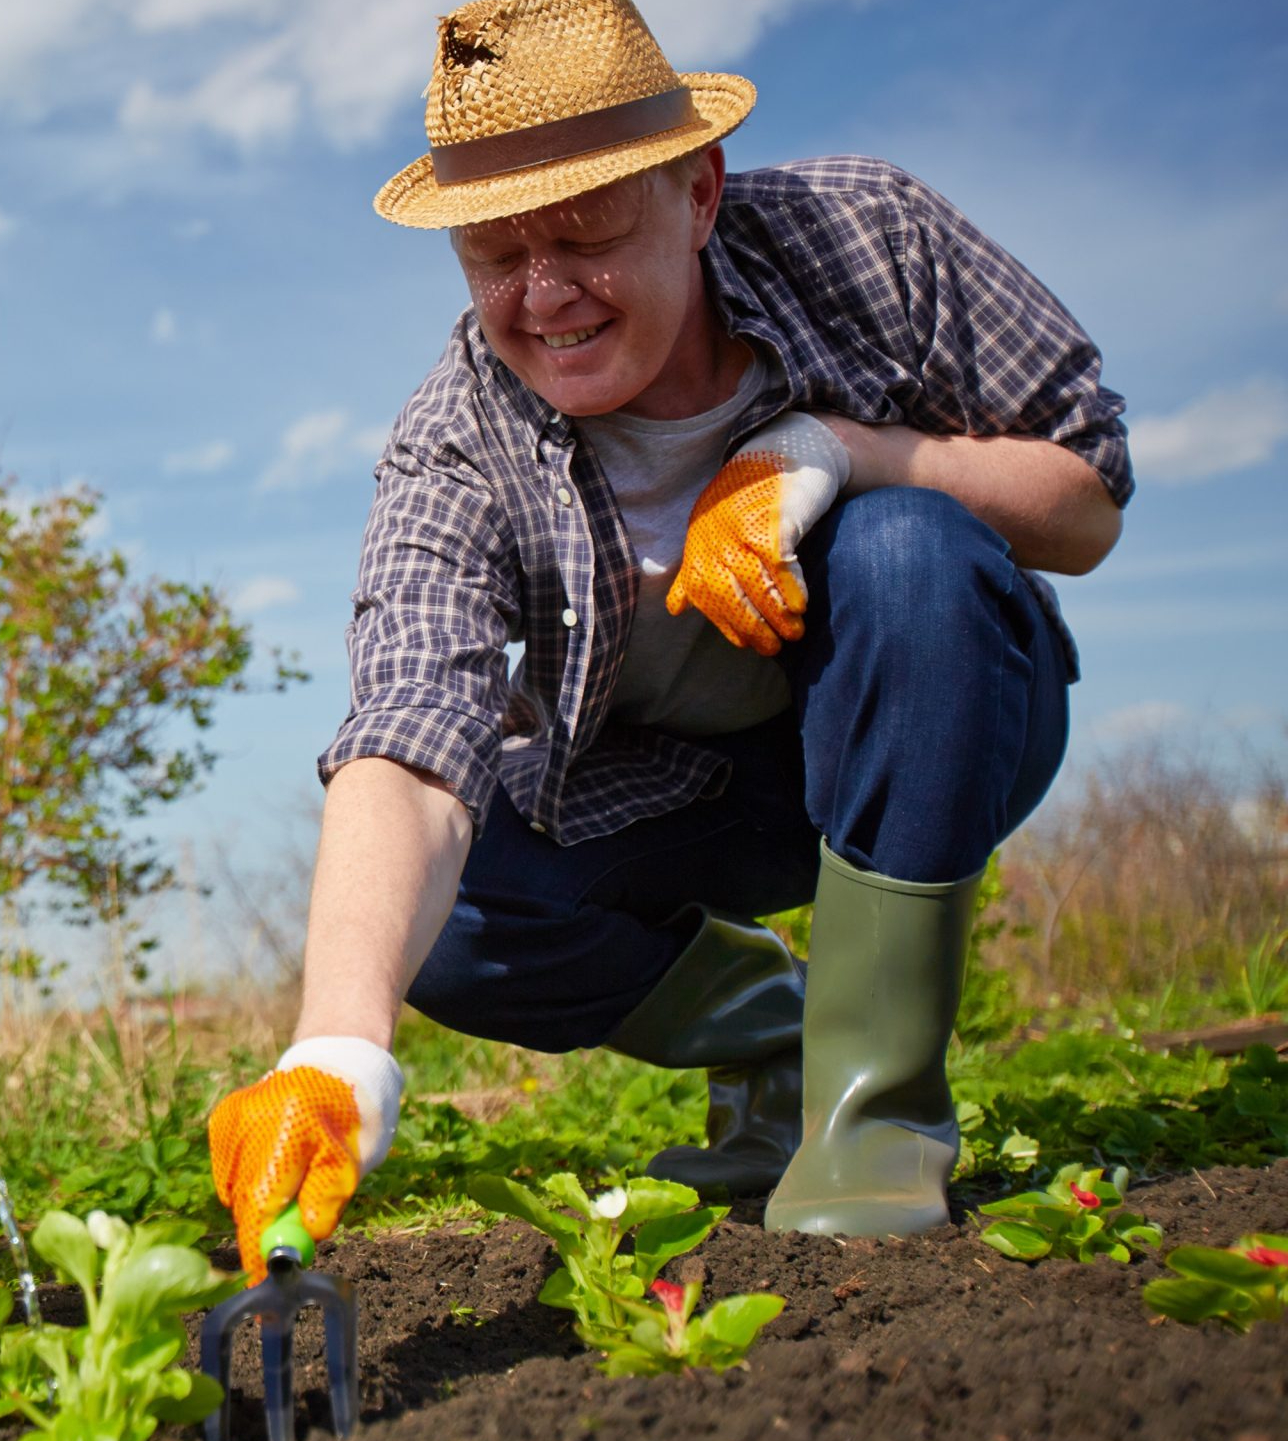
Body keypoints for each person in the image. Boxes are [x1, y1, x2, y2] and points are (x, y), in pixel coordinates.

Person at [205, 0, 1129, 1272]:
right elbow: (411, 738)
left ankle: (875, 1116)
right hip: (690, 800)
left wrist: (829, 452)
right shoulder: (452, 446)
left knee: (902, 543)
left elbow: (1082, 506)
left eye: (585, 234)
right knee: (451, 915)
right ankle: (778, 1036)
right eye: (491, 256)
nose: (543, 297)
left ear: (697, 193)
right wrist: (333, 1048)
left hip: (948, 715)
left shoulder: (867, 237)